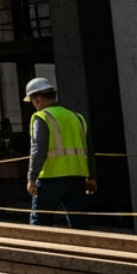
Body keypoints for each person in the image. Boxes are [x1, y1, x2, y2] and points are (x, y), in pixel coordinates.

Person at [23, 77, 95, 228]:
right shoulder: (77, 117)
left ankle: (38, 251)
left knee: (40, 223)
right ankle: (83, 250)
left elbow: (38, 150)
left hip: (50, 178)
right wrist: (91, 177)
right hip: (77, 178)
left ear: (37, 100)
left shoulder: (42, 117)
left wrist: (32, 177)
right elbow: (89, 150)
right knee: (79, 223)